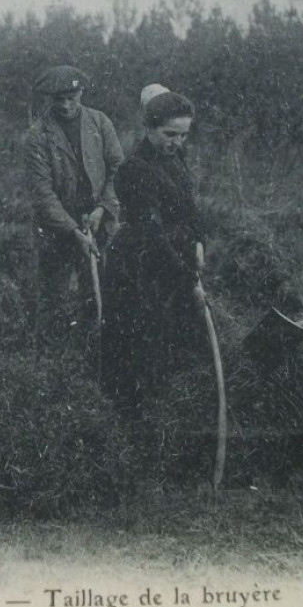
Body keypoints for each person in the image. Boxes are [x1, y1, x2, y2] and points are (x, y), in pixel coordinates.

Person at [100, 86, 207, 457]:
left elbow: (191, 213)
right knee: (140, 352)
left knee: (173, 350)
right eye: (169, 134)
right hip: (140, 271)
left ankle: (169, 436)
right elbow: (152, 233)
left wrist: (197, 245)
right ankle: (134, 443)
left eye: (183, 135)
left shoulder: (175, 163)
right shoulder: (134, 169)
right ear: (149, 128)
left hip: (173, 264)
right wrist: (188, 280)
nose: (176, 142)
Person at [23, 64, 124, 346]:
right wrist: (72, 230)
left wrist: (103, 208)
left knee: (99, 289)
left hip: (100, 220)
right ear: (48, 99)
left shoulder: (100, 123)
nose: (66, 105)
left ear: (81, 92)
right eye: (59, 99)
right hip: (57, 228)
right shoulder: (37, 136)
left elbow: (118, 168)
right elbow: (42, 193)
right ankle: (51, 359)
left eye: (72, 97)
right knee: (54, 296)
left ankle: (94, 350)